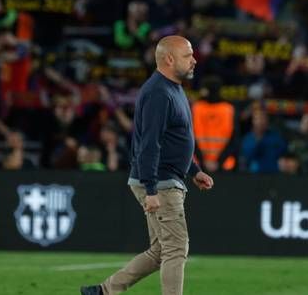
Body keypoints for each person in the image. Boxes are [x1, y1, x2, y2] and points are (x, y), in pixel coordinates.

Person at [83, 36, 213, 295]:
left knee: (160, 251)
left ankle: (104, 291)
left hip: (164, 178)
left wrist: (194, 170)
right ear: (169, 59)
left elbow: (172, 141)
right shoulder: (159, 93)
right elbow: (149, 144)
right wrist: (151, 189)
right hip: (160, 182)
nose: (194, 60)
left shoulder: (171, 89)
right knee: (176, 248)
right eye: (188, 55)